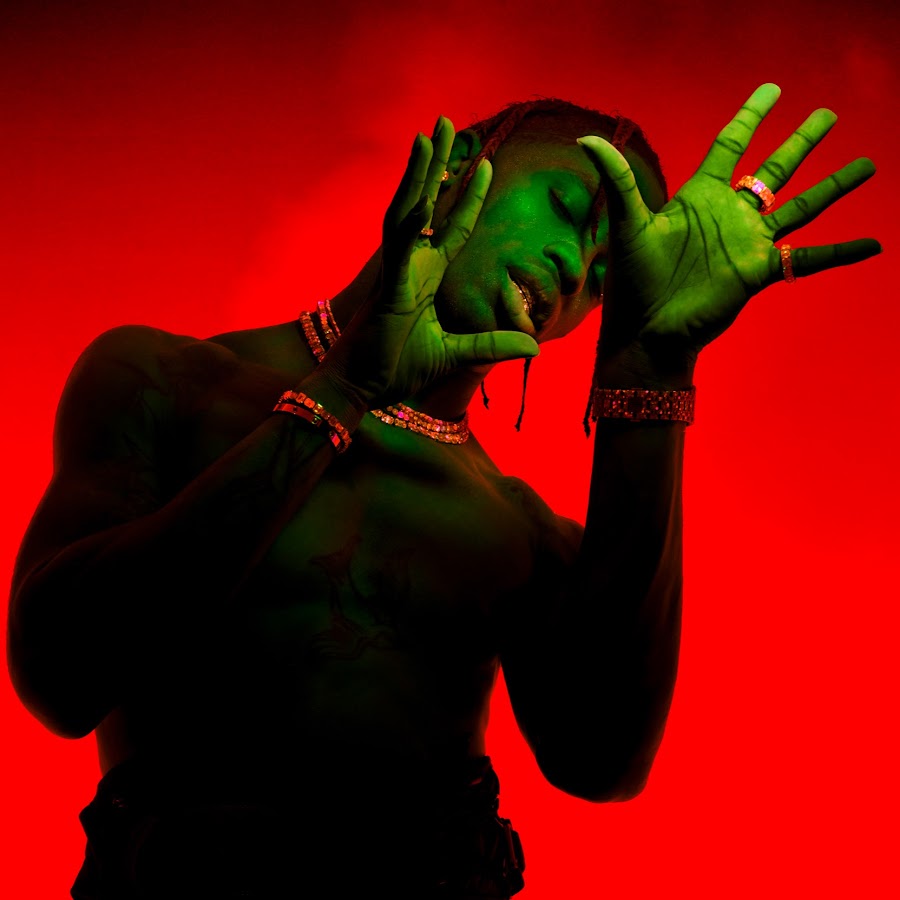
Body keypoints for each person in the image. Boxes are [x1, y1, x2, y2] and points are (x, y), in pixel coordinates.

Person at [6, 83, 879, 899]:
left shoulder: (518, 532)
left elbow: (601, 762)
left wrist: (651, 369)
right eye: (566, 208)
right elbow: (59, 674)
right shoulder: (162, 381)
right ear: (461, 163)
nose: (575, 266)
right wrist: (339, 395)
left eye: (607, 275)